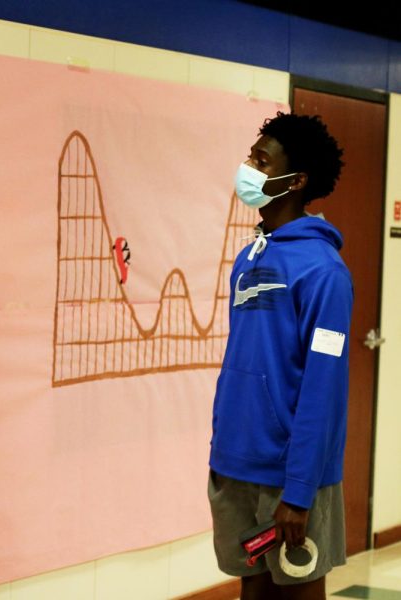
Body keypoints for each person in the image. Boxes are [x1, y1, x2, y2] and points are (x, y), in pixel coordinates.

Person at [208, 112, 350, 600]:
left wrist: (300, 491)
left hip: (291, 479)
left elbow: (322, 389)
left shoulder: (324, 272)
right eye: (251, 156)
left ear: (297, 180)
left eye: (260, 160)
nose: (248, 168)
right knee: (253, 593)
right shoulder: (249, 257)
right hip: (235, 465)